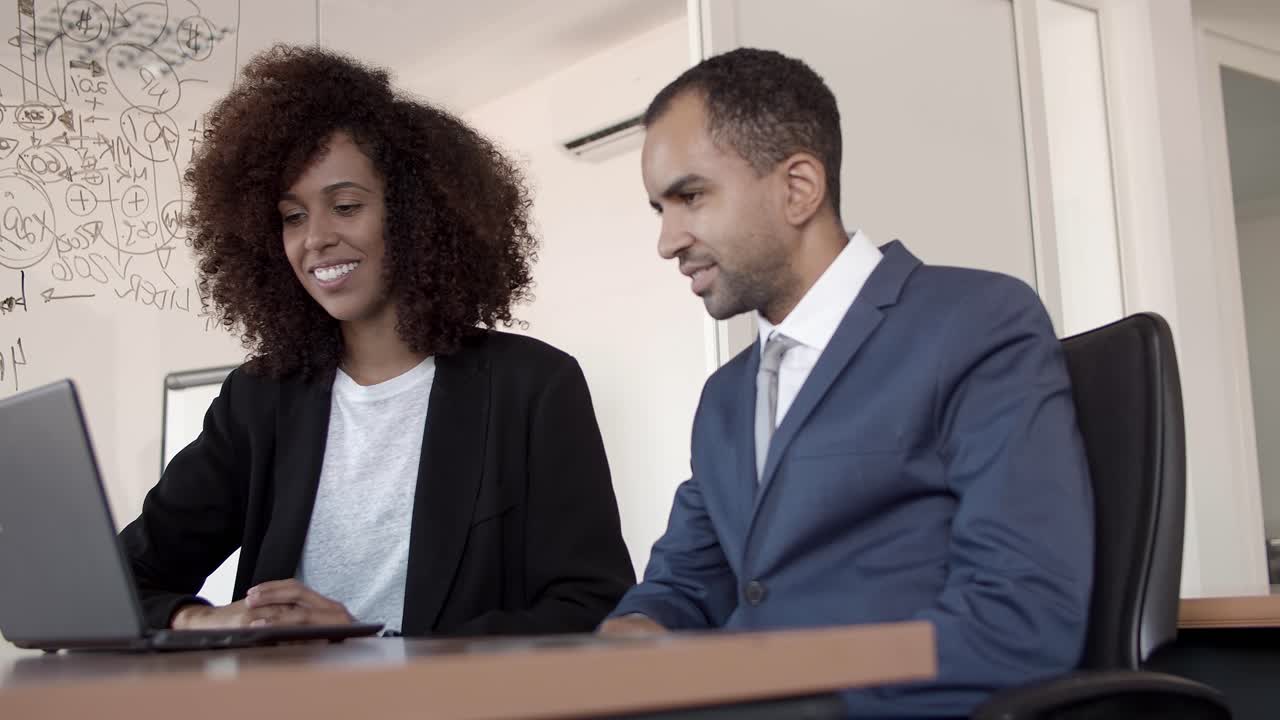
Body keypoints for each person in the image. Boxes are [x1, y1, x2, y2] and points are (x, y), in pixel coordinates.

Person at [598, 48, 1094, 717]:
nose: (667, 241)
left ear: (799, 188)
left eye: (690, 197)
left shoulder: (976, 322)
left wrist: (783, 700)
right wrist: (632, 634)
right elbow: (684, 586)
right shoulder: (724, 399)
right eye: (659, 208)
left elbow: (1019, 614)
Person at [119, 45, 635, 638]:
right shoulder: (258, 399)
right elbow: (122, 581)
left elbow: (589, 605)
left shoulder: (532, 386)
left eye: (345, 206)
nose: (315, 238)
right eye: (292, 217)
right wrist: (203, 619)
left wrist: (376, 644)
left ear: (418, 216)